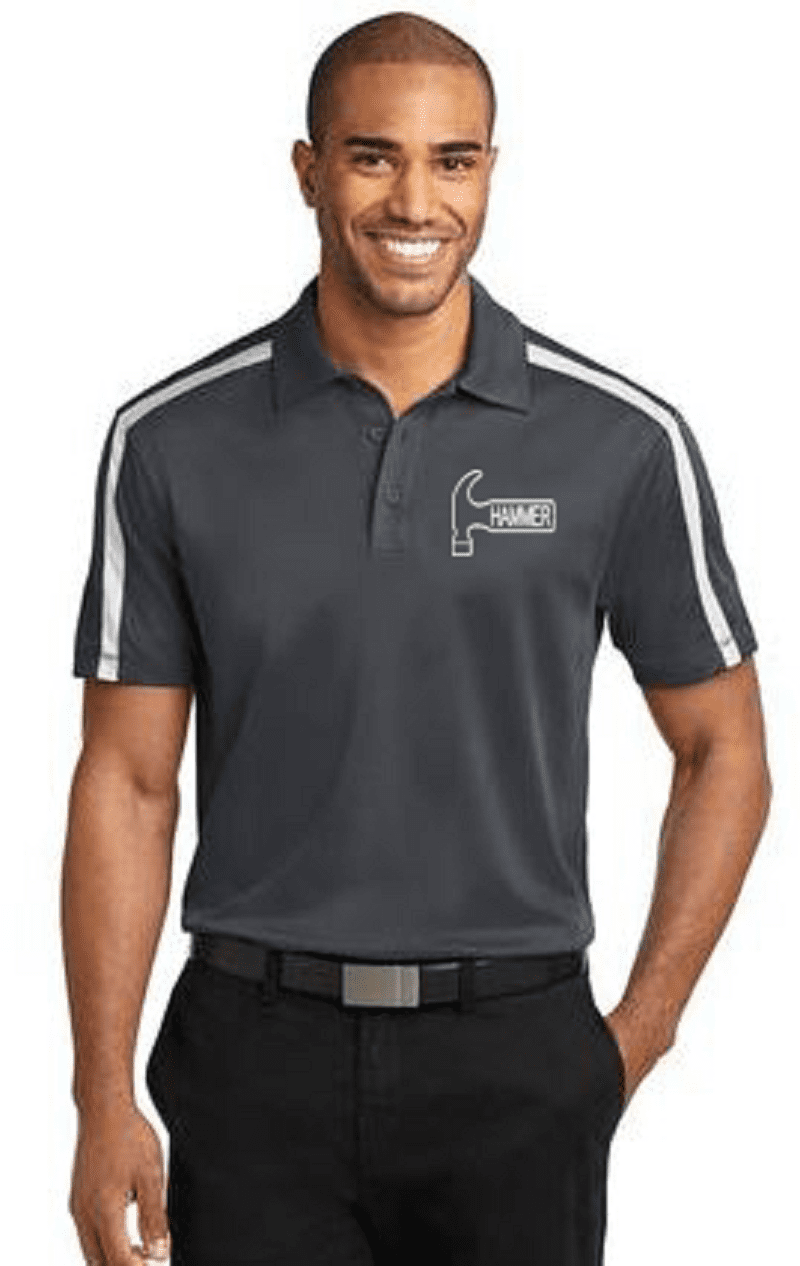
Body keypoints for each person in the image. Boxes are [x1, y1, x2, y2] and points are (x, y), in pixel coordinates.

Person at [62, 11, 771, 1266]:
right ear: (308, 171)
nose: (414, 201)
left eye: (453, 160)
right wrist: (101, 1095)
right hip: (249, 1056)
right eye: (372, 155)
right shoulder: (169, 442)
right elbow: (126, 782)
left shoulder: (620, 442)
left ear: (490, 170)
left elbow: (724, 751)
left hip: (518, 1052)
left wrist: (633, 1036)